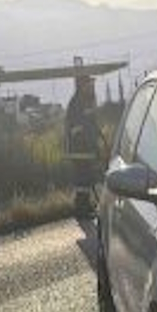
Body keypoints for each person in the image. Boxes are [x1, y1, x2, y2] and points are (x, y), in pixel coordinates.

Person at [64, 75, 99, 216]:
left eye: (92, 84)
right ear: (82, 86)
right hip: (80, 148)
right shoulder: (78, 102)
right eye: (89, 84)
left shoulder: (84, 100)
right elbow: (77, 125)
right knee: (82, 179)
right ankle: (81, 209)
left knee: (86, 178)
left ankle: (85, 206)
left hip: (85, 148)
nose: (92, 87)